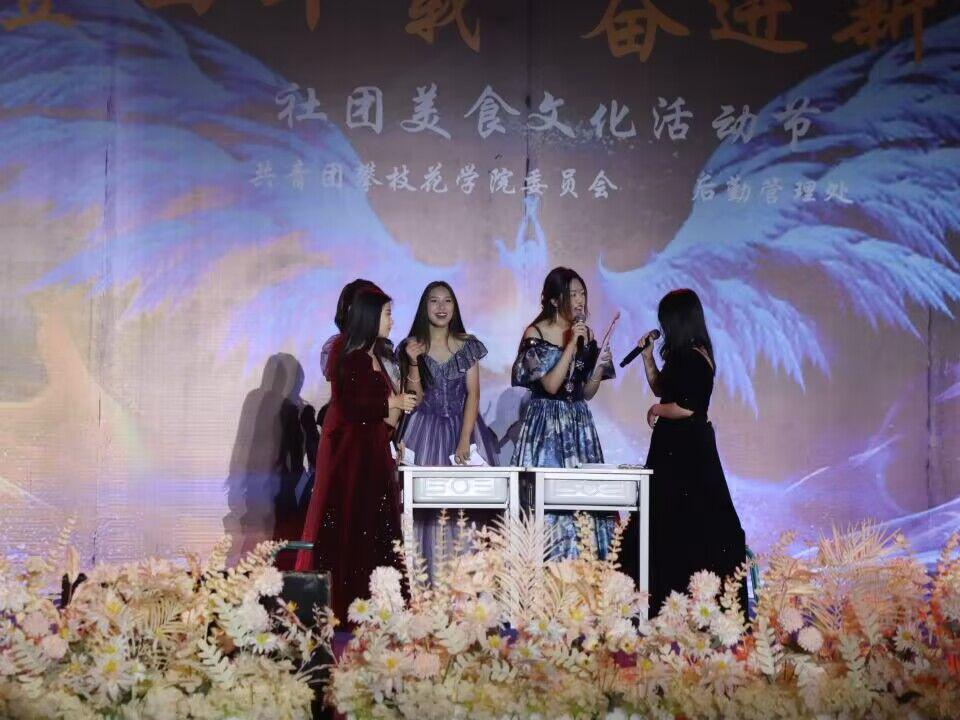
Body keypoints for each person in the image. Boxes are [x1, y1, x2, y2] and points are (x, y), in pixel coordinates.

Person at [294, 288, 417, 622]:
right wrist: (391, 402)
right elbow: (352, 405)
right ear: (370, 316)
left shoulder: (370, 356)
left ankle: (380, 605)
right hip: (356, 457)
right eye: (387, 314)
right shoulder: (353, 358)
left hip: (371, 451)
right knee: (356, 523)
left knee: (374, 525)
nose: (392, 321)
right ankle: (352, 605)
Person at [638, 288, 747, 615]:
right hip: (678, 449)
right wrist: (647, 357)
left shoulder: (693, 357)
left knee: (686, 523)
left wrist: (657, 410)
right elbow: (663, 388)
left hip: (685, 453)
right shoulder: (686, 355)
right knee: (670, 522)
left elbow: (687, 407)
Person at [510, 267, 615, 559]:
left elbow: (587, 392)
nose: (580, 300)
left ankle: (584, 569)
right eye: (572, 294)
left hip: (579, 425)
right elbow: (551, 385)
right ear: (555, 300)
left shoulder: (587, 333)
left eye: (582, 293)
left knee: (583, 501)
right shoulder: (536, 333)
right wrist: (570, 345)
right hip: (546, 425)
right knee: (548, 501)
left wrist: (598, 367)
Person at [396, 281, 498, 578]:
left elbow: (473, 395)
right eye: (434, 301)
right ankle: (428, 580)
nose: (441, 307)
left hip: (461, 427)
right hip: (424, 430)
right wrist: (413, 362)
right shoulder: (412, 345)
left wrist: (464, 440)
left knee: (466, 507)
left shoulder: (468, 345)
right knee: (425, 508)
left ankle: (466, 581)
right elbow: (415, 399)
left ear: (455, 306)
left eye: (447, 301)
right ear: (424, 307)